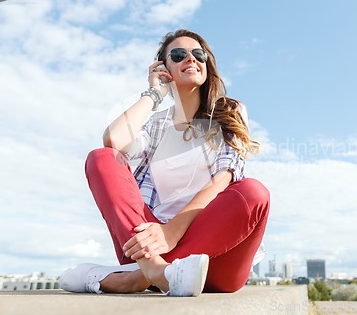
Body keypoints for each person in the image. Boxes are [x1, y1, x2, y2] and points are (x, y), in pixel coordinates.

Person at [59, 29, 270, 297]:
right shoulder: (158, 123)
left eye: (198, 54)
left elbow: (223, 179)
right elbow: (113, 140)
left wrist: (171, 232)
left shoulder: (230, 111)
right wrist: (154, 93)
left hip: (216, 255)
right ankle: (156, 272)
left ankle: (138, 279)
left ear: (207, 64)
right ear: (164, 68)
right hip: (149, 245)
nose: (191, 59)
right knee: (101, 158)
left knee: (254, 193)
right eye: (179, 55)